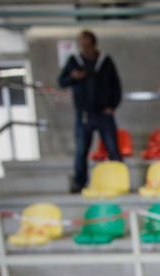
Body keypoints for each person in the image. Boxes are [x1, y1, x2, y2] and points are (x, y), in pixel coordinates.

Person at [57, 30, 122, 194]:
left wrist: (112, 106)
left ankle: (120, 179)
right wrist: (73, 77)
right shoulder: (74, 61)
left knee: (113, 148)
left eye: (88, 44)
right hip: (84, 114)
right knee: (81, 150)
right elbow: (62, 81)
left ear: (94, 44)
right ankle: (80, 182)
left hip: (103, 113)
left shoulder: (105, 61)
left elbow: (117, 86)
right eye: (82, 45)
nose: (85, 48)